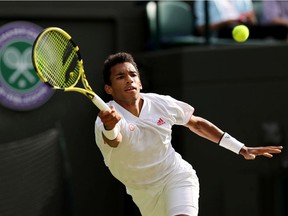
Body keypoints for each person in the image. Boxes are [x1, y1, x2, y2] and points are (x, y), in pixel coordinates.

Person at [94, 52, 283, 216]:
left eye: (133, 74)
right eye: (120, 77)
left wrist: (240, 148)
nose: (129, 79)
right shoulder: (107, 118)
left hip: (175, 176)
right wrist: (110, 127)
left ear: (140, 83)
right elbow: (114, 140)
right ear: (109, 89)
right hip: (143, 192)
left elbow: (196, 124)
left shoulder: (161, 104)